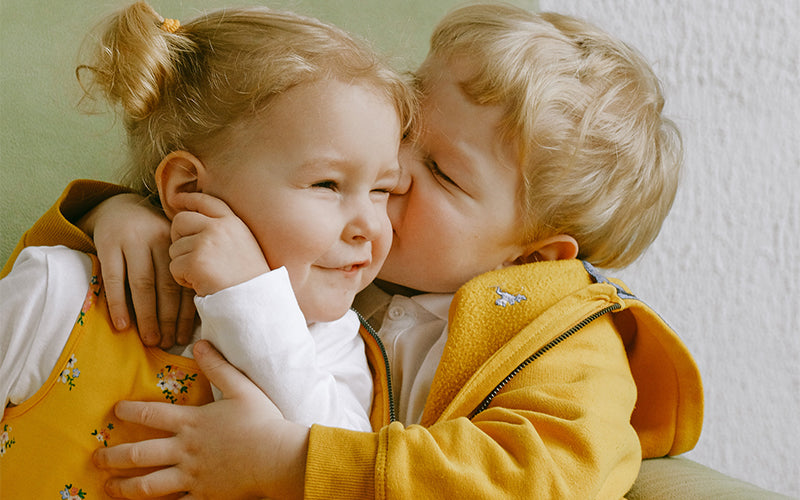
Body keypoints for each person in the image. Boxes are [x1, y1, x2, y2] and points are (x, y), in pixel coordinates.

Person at [2, 4, 704, 499]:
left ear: (528, 259)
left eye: (441, 171)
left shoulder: (569, 346)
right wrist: (122, 212)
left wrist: (295, 464)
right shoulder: (360, 267)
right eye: (405, 124)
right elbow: (243, 192)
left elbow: (540, 483)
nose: (392, 168)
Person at [0, 2, 416, 496]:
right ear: (189, 187)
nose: (370, 224)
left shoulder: (337, 347)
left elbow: (339, 477)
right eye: (327, 184)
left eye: (382, 190)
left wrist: (251, 299)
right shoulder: (59, 292)